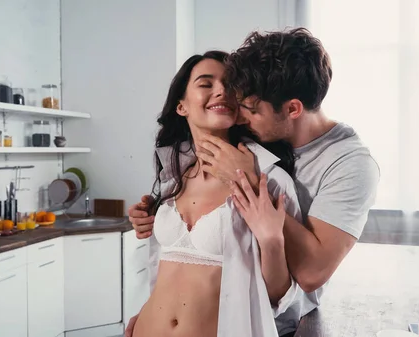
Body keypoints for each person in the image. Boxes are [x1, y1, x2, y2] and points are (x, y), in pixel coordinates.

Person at [129, 28, 380, 336]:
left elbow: (309, 274)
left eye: (251, 108)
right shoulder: (185, 167)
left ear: (292, 109)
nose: (241, 113)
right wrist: (151, 218)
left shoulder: (313, 169)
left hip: (270, 323)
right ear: (181, 106)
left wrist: (245, 181)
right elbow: (169, 265)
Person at [126, 50, 305, 337]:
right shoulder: (171, 177)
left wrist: (272, 240)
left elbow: (279, 297)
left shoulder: (268, 180)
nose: (221, 91)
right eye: (206, 84)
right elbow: (167, 273)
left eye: (230, 85)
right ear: (181, 106)